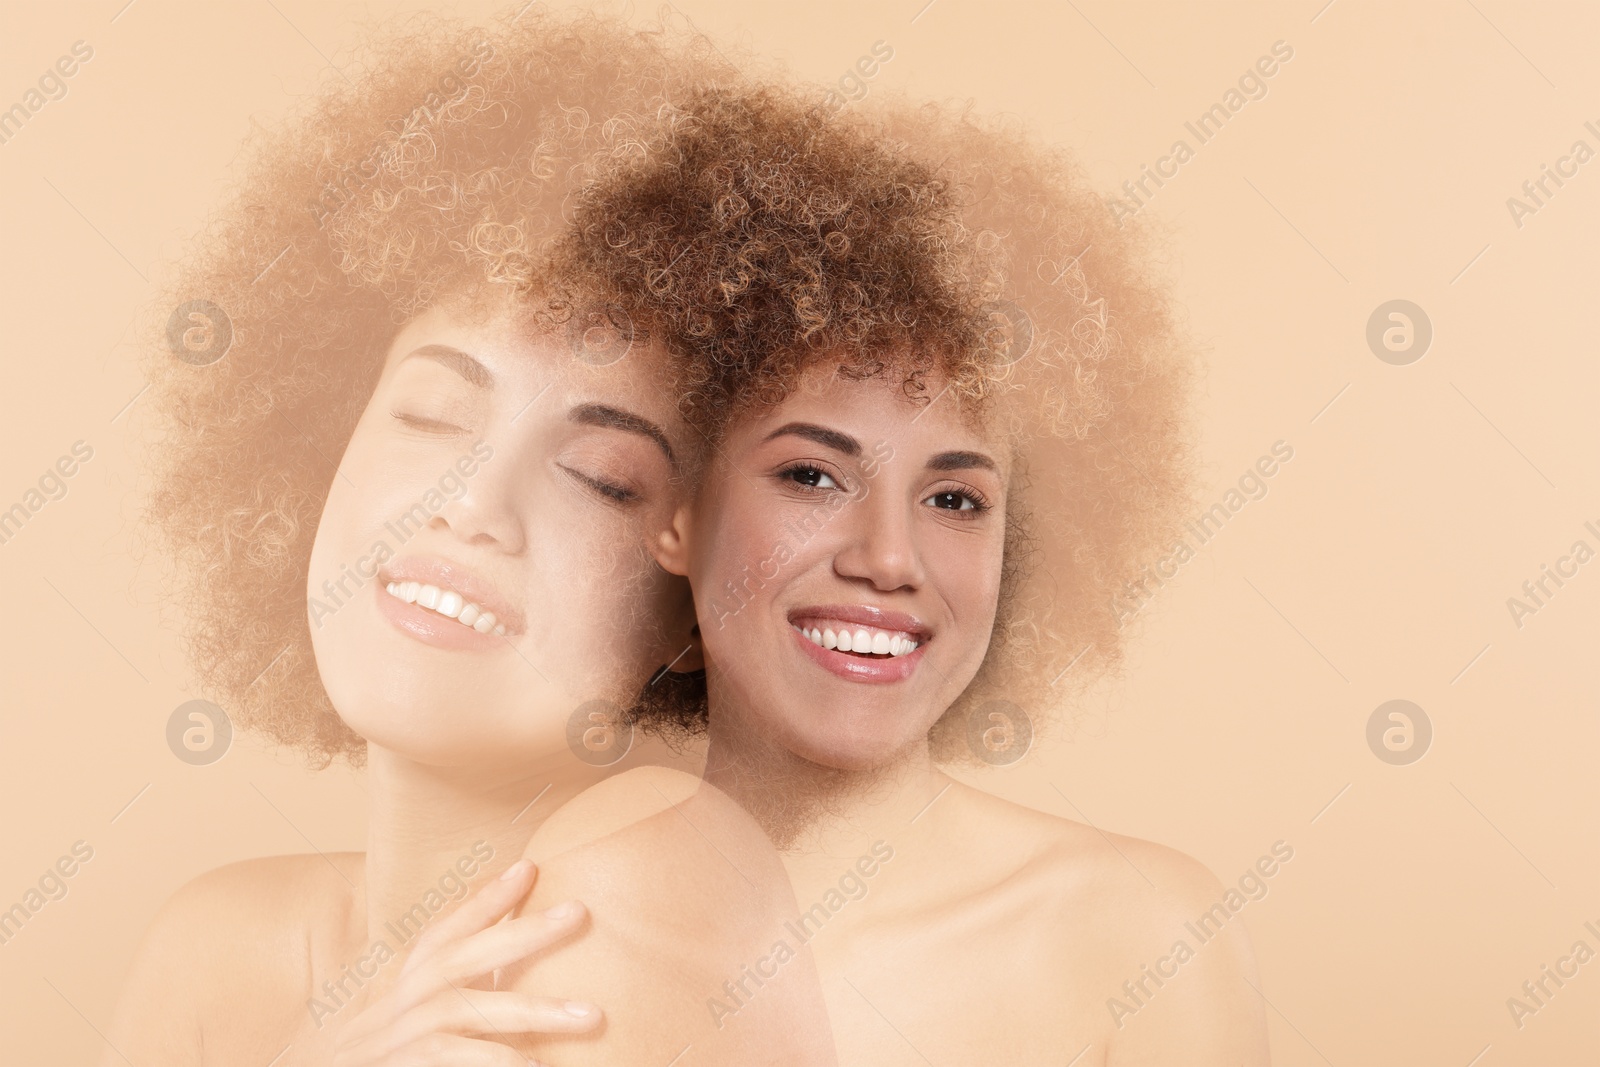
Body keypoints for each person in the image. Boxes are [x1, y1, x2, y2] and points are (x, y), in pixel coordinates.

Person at [108, 12, 833, 1066]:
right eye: (431, 413)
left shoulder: (654, 866)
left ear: (700, 593)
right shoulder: (215, 943)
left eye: (600, 478)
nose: (472, 502)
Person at [548, 83, 1274, 1065]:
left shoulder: (1139, 937)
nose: (888, 557)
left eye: (954, 499)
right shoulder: (535, 942)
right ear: (675, 511)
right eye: (810, 474)